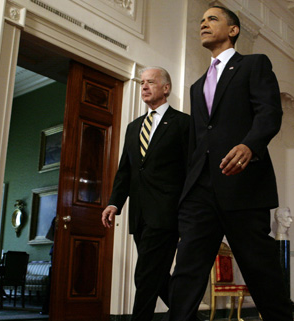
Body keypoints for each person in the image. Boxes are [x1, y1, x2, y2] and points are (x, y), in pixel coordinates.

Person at [166, 5, 293, 321]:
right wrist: (185, 189)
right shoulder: (197, 87)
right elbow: (198, 140)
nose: (203, 24)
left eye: (212, 19)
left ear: (233, 30)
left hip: (243, 184)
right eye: (201, 20)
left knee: (260, 269)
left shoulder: (253, 65)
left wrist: (250, 145)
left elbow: (269, 113)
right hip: (200, 191)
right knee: (187, 271)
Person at [101, 67, 189, 321]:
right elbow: (126, 171)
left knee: (146, 274)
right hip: (139, 215)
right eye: (142, 83)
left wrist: (187, 210)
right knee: (157, 275)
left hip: (167, 213)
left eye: (151, 82)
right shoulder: (133, 127)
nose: (144, 86)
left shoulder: (183, 124)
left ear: (166, 88)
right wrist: (114, 203)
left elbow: (191, 171)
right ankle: (189, 316)